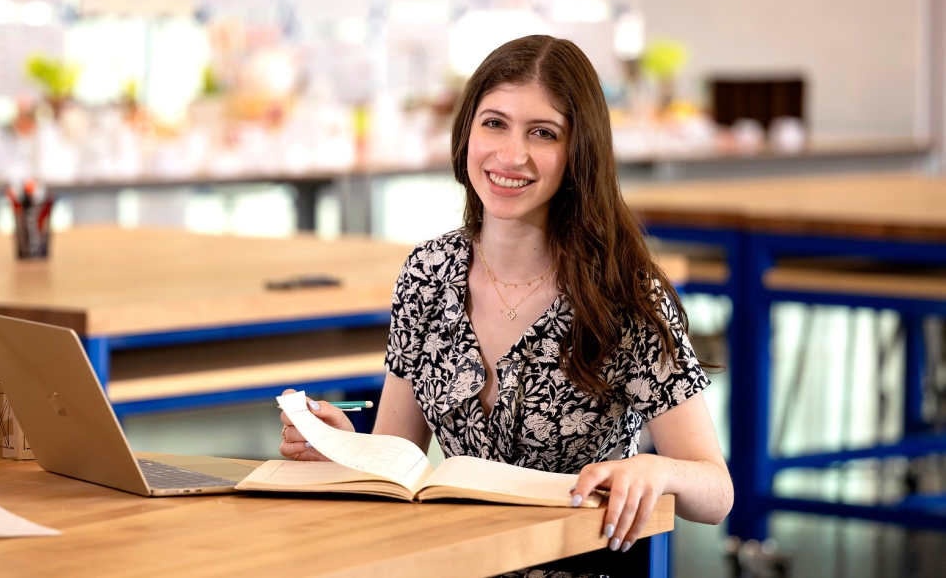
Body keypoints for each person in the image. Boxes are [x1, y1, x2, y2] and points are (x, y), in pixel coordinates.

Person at [279, 34, 733, 565]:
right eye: (494, 123)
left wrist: (657, 469)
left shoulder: (624, 295)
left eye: (542, 133)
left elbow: (716, 495)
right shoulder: (428, 274)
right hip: (451, 564)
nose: (511, 155)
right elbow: (398, 456)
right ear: (467, 130)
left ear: (578, 152)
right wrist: (343, 448)